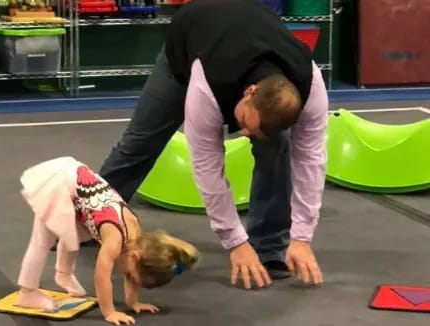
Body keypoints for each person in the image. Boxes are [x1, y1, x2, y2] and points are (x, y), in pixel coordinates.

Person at [99, 0, 327, 289]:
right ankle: (91, 218)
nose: (243, 133)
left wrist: (302, 237)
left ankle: (269, 247)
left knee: (277, 149)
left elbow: (311, 161)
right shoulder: (206, 85)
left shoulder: (310, 88)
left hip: (247, 39)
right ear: (249, 92)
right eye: (246, 122)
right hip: (190, 48)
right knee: (140, 142)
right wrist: (234, 242)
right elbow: (207, 164)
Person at [16, 157, 199, 325]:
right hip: (60, 182)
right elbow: (101, 277)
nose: (124, 274)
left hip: (79, 189)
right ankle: (27, 292)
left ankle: (63, 274)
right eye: (129, 273)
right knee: (42, 240)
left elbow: (132, 273)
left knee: (70, 233)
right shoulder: (114, 239)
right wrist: (109, 312)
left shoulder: (137, 240)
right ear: (135, 256)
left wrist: (133, 302)